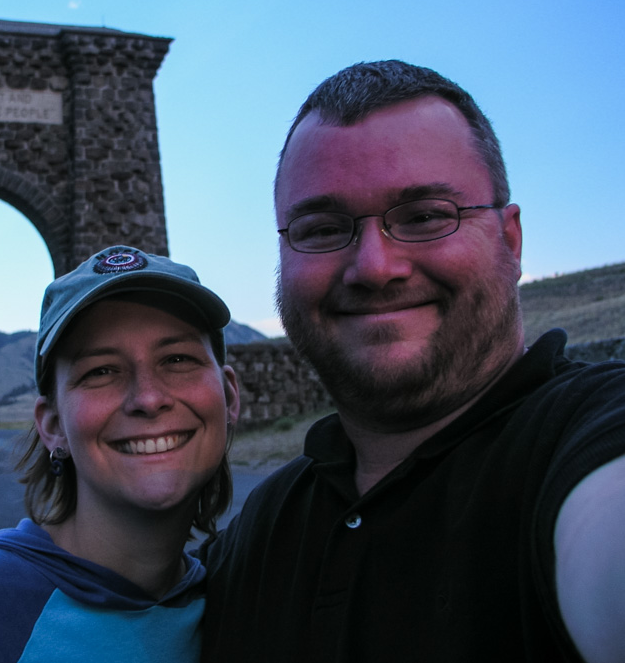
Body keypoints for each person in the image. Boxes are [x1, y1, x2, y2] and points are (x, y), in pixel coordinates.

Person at [199, 60, 625, 663]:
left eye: (425, 216)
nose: (374, 267)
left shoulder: (588, 440)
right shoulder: (261, 527)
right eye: (322, 229)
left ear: (510, 240)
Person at [0, 245, 240, 663]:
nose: (148, 398)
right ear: (53, 426)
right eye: (101, 370)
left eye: (177, 358)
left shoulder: (257, 602)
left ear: (227, 396)